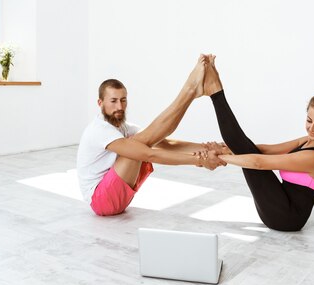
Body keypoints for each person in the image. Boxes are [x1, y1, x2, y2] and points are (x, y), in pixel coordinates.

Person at [202, 55, 314, 231]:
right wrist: (230, 150)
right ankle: (215, 88)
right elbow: (267, 150)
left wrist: (221, 156)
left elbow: (258, 162)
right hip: (276, 207)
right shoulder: (308, 140)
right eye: (309, 120)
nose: (312, 128)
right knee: (244, 146)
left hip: (286, 218)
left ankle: (215, 91)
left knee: (246, 151)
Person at [77, 56, 225, 216]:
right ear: (100, 103)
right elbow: (149, 154)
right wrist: (200, 160)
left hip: (122, 196)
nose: (119, 106)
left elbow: (165, 143)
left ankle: (191, 91)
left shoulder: (122, 127)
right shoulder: (99, 130)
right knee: (136, 146)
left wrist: (207, 147)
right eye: (113, 101)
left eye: (123, 100)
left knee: (143, 141)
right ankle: (189, 90)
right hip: (102, 202)